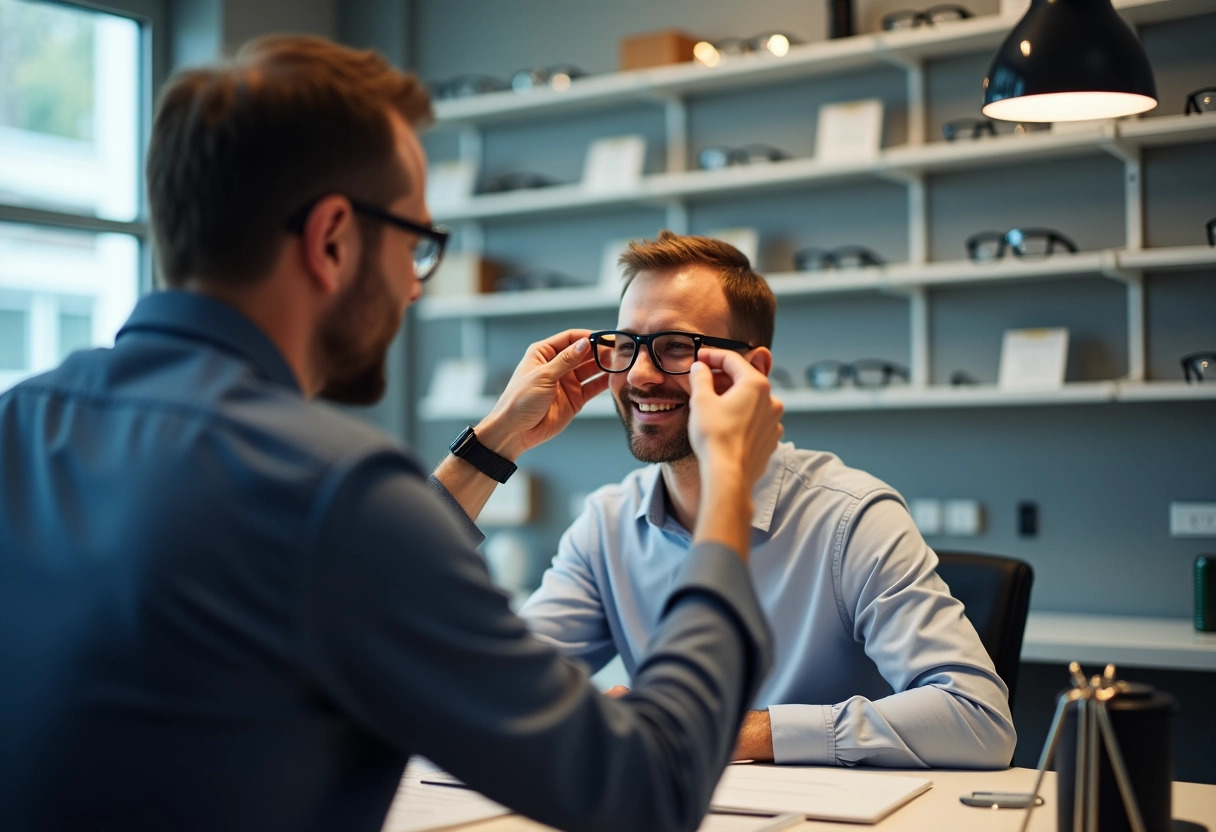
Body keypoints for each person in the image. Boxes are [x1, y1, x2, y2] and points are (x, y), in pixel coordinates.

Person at [0, 36, 786, 832]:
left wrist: (493, 444)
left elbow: (334, 574)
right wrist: (727, 492)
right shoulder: (334, 487)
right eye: (414, 244)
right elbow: (646, 789)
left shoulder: (21, 420)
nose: (414, 284)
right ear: (333, 238)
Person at [516, 230, 1018, 769]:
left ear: (751, 372)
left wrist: (738, 733)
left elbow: (978, 719)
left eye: (676, 348)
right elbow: (505, 689)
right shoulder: (607, 523)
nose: (639, 375)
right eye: (625, 344)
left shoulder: (851, 516)